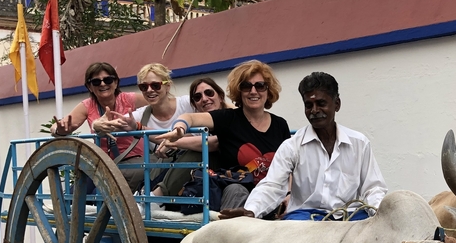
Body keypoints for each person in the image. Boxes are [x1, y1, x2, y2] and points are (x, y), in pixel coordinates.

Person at [236, 71, 387, 221]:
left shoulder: (359, 143)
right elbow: (272, 186)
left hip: (350, 217)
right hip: (305, 219)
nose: (314, 110)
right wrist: (251, 211)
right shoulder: (292, 146)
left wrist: (380, 214)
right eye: (309, 105)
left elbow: (374, 188)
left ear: (337, 104)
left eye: (321, 103)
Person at [154, 60, 291, 215]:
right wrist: (179, 128)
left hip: (271, 192)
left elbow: (290, 167)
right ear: (239, 91)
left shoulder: (280, 125)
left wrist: (289, 193)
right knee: (236, 190)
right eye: (246, 86)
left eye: (260, 86)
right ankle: (229, 228)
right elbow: (189, 117)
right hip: (239, 190)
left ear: (268, 90)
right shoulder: (228, 118)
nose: (253, 91)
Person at [50, 62, 149, 191]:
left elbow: (159, 104)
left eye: (108, 80)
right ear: (90, 87)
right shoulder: (88, 105)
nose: (102, 84)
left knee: (100, 193)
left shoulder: (131, 99)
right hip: (103, 164)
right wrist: (58, 130)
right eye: (96, 82)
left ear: (116, 83)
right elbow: (61, 125)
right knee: (76, 193)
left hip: (133, 161)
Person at [148, 77, 229, 205]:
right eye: (197, 97)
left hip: (228, 170)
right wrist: (171, 142)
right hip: (208, 173)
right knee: (174, 151)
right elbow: (188, 129)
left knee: (198, 152)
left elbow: (215, 142)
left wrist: (174, 142)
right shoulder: (202, 122)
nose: (204, 99)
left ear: (220, 96)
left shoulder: (231, 115)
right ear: (195, 104)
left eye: (209, 93)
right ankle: (147, 192)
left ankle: (156, 198)